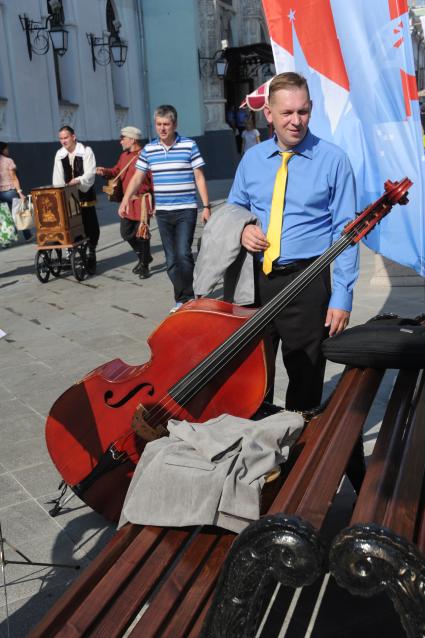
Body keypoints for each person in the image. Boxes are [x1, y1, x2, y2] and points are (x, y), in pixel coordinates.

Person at [226, 72, 358, 412]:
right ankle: (260, 454)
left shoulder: (333, 160)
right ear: (269, 113)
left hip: (308, 283)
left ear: (311, 109)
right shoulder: (252, 160)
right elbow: (233, 209)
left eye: (303, 111)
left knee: (306, 379)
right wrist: (241, 230)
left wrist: (342, 295)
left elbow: (347, 232)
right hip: (255, 285)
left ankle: (301, 457)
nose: (296, 121)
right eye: (287, 113)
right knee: (253, 379)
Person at [119, 104, 211, 313]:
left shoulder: (189, 145)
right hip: (162, 212)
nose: (162, 129)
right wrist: (125, 200)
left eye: (166, 124)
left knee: (183, 255)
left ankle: (188, 296)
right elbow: (137, 177)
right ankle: (181, 297)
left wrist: (206, 206)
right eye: (159, 124)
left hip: (186, 210)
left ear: (174, 124)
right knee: (170, 259)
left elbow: (199, 177)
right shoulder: (149, 150)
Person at [97, 126, 154, 279]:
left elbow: (154, 180)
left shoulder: (145, 155)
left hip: (142, 202)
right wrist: (105, 171)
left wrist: (155, 203)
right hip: (127, 202)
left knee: (142, 235)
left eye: (123, 138)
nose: (120, 141)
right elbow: (116, 171)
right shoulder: (124, 156)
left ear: (133, 139)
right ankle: (145, 256)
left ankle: (144, 266)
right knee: (126, 233)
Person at [52, 126, 99, 261]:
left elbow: (90, 172)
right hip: (68, 195)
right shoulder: (60, 154)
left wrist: (78, 180)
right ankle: (70, 251)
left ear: (73, 137)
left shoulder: (85, 151)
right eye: (61, 138)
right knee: (70, 224)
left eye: (66, 137)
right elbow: (58, 177)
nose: (63, 141)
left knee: (89, 222)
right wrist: (59, 192)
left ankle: (91, 249)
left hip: (84, 193)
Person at [0, 141, 32, 241]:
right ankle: (27, 235)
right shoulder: (8, 161)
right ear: (2, 149)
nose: (7, 150)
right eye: (6, 148)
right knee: (19, 213)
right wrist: (20, 192)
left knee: (4, 215)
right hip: (9, 191)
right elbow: (14, 178)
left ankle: (7, 239)